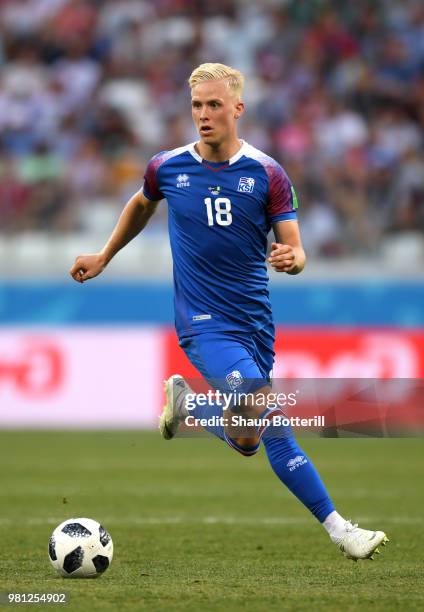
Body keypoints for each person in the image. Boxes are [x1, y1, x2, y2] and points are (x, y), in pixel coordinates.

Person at [70, 63, 388, 561]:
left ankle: (188, 405)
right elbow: (140, 203)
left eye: (214, 105)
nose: (203, 114)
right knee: (268, 412)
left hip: (254, 327)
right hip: (203, 325)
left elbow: (297, 250)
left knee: (245, 438)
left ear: (237, 108)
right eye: (196, 105)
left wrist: (292, 260)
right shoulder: (168, 167)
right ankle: (342, 530)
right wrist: (104, 255)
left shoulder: (267, 173)